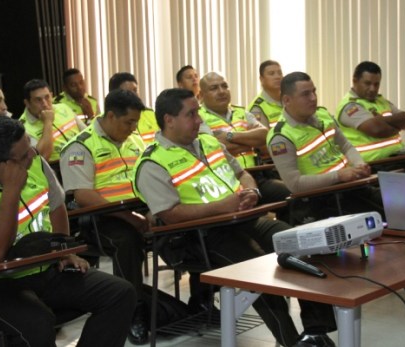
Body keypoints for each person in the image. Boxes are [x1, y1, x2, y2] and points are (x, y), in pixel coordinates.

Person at [134, 88, 337, 347]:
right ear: (168, 119)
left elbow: (242, 174)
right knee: (261, 271)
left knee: (299, 242)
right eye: (191, 114)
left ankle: (316, 331)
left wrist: (251, 190)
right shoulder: (152, 163)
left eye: (198, 113)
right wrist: (222, 207)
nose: (199, 120)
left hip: (242, 219)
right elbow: (171, 216)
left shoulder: (208, 142)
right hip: (196, 236)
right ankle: (291, 342)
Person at [0, 115, 136, 347]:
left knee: (120, 293)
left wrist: (63, 251)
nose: (33, 155)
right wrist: (11, 189)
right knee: (37, 323)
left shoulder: (33, 158)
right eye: (23, 155)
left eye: (29, 146)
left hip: (42, 267)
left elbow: (56, 204)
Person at [59, 89, 150, 344]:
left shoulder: (134, 141)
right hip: (102, 218)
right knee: (127, 241)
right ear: (110, 115)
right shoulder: (80, 146)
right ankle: (133, 310)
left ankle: (203, 297)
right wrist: (131, 217)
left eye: (135, 122)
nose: (133, 128)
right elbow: (83, 195)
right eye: (128, 122)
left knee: (186, 225)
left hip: (139, 208)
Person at [267, 72, 383, 220]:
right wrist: (339, 176)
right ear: (287, 100)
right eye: (305, 94)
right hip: (322, 200)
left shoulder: (322, 114)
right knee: (385, 215)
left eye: (314, 91)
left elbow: (346, 146)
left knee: (399, 204)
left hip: (351, 187)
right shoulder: (280, 137)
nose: (313, 98)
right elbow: (295, 184)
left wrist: (359, 164)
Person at [198, 72, 291, 219]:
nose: (221, 91)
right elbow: (214, 149)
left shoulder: (241, 112)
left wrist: (229, 137)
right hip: (230, 181)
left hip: (258, 175)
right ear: (201, 95)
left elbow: (264, 135)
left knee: (289, 193)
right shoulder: (198, 118)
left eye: (224, 86)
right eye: (214, 88)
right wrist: (250, 143)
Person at [335, 61, 405, 173]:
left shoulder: (381, 101)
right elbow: (377, 130)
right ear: (355, 81)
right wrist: (397, 127)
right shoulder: (350, 106)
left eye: (376, 84)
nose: (373, 89)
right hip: (373, 166)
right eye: (367, 83)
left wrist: (382, 120)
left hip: (398, 160)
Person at [20, 79, 85, 161]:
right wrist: (48, 122)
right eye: (38, 100)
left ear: (51, 96)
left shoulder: (63, 107)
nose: (45, 104)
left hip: (81, 158)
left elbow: (86, 133)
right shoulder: (23, 128)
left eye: (47, 97)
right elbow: (42, 158)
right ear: (27, 103)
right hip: (56, 168)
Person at [109, 72, 159, 144]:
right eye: (128, 92)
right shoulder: (110, 119)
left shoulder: (150, 115)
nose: (134, 95)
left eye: (135, 90)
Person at [249, 60, 284, 128]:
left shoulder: (289, 99)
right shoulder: (257, 108)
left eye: (280, 73)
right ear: (262, 79)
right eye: (271, 73)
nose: (277, 77)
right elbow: (261, 136)